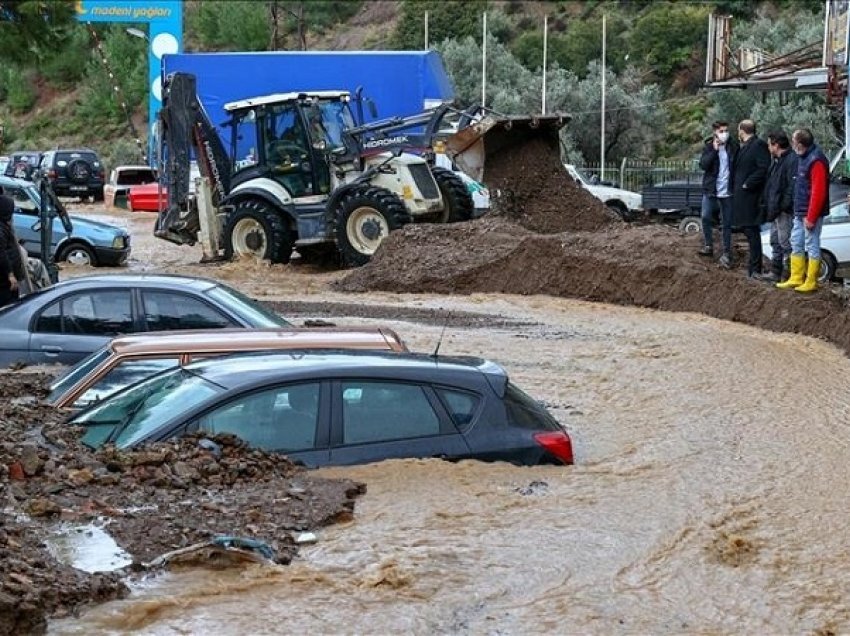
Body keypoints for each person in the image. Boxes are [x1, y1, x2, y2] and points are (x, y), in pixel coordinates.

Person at [776, 128, 830, 293]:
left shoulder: (816, 160)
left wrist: (811, 217)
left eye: (793, 140)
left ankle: (811, 280)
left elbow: (818, 192)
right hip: (800, 211)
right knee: (796, 242)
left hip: (810, 213)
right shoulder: (803, 157)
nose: (791, 143)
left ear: (799, 144)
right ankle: (796, 277)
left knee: (811, 244)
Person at [729, 119, 771, 275]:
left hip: (750, 198)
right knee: (748, 231)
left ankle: (755, 268)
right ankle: (752, 267)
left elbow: (763, 168)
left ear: (741, 130)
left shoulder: (758, 145)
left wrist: (748, 183)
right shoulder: (743, 147)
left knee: (752, 232)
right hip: (742, 197)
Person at [762, 130, 798, 282]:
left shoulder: (791, 160)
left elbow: (791, 186)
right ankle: (776, 272)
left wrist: (783, 206)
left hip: (784, 210)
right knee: (775, 240)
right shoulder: (777, 160)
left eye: (770, 144)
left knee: (786, 242)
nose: (769, 148)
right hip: (776, 209)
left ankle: (790, 273)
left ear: (776, 145)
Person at [698, 120, 736, 258]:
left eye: (726, 130)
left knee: (726, 221)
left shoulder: (732, 146)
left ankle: (726, 250)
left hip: (727, 190)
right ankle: (708, 245)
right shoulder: (708, 147)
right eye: (721, 131)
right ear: (715, 132)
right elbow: (703, 165)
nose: (724, 134)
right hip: (711, 189)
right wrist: (714, 151)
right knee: (705, 216)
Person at [0, 195, 21, 307]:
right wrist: (10, 274)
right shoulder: (1, 229)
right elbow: (1, 253)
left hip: (7, 281)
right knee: (9, 310)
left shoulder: (5, 226)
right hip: (4, 282)